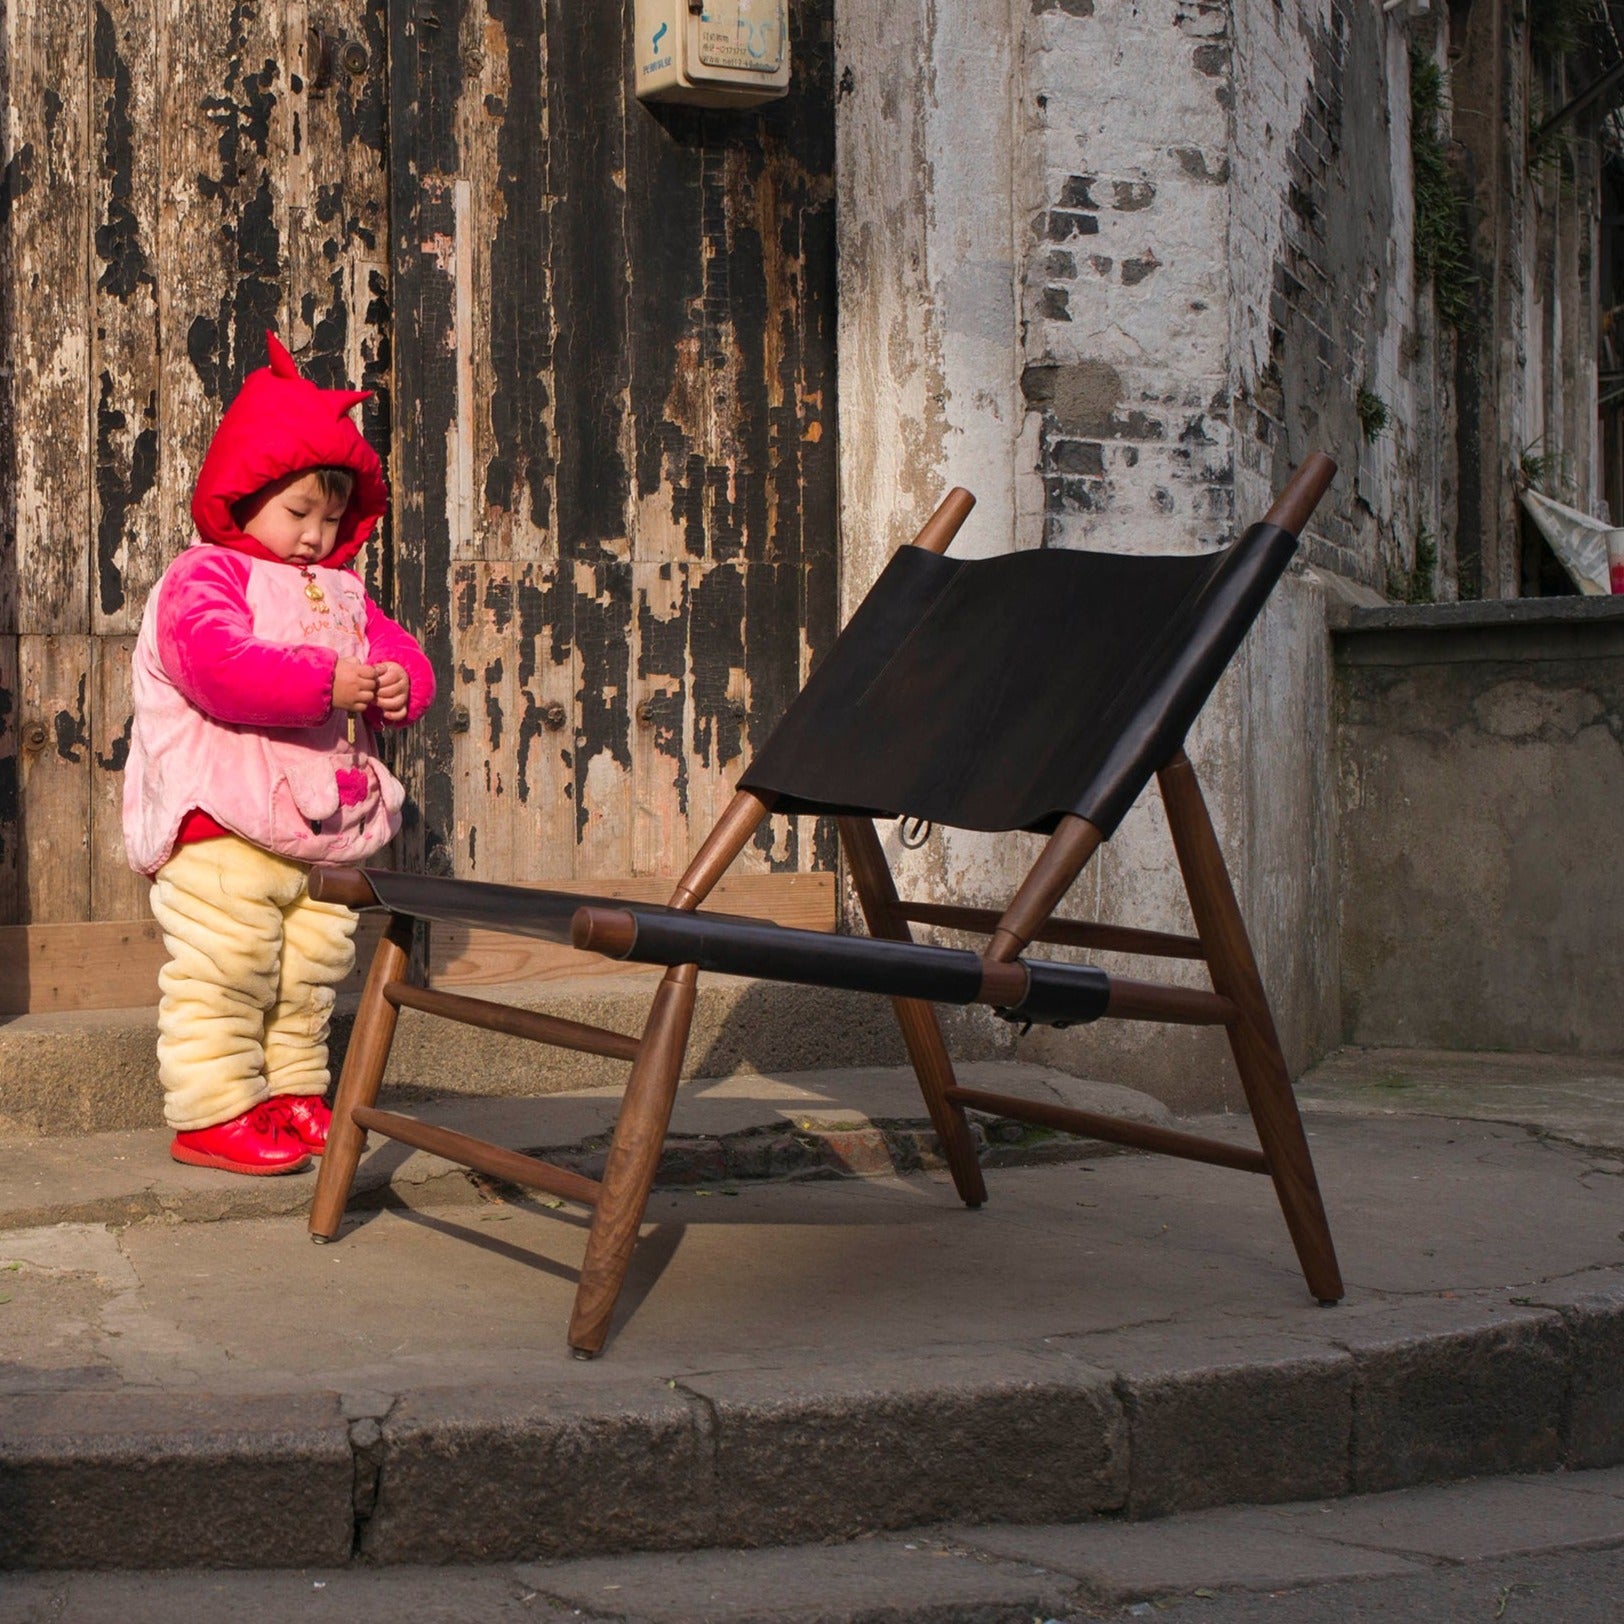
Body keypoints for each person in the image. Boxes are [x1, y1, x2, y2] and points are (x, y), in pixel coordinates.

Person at [122, 333, 435, 1175]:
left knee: (310, 970)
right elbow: (219, 667)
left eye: (331, 519)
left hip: (317, 827)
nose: (314, 535)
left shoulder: (341, 591)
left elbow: (394, 649)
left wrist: (402, 682)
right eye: (298, 513)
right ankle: (214, 1110)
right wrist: (327, 683)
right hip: (221, 826)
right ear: (246, 492)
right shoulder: (205, 576)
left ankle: (293, 1091)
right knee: (227, 967)